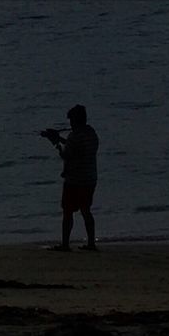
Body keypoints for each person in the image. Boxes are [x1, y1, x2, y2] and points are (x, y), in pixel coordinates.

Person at [47, 103, 99, 251]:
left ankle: (65, 244)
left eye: (71, 121)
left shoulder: (75, 136)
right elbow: (75, 147)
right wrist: (61, 139)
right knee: (86, 210)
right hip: (90, 179)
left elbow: (66, 154)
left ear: (75, 121)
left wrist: (56, 143)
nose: (70, 124)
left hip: (75, 180)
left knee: (67, 211)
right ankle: (91, 243)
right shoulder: (91, 133)